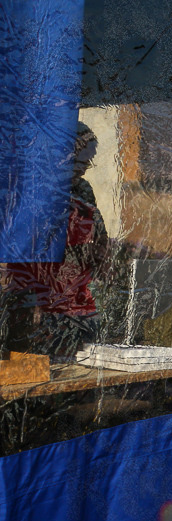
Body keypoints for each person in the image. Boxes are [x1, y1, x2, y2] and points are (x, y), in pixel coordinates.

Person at [4, 122, 107, 358]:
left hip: (75, 300)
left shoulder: (82, 191)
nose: (85, 168)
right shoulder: (28, 189)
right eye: (80, 161)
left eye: (88, 162)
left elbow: (98, 237)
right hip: (37, 303)